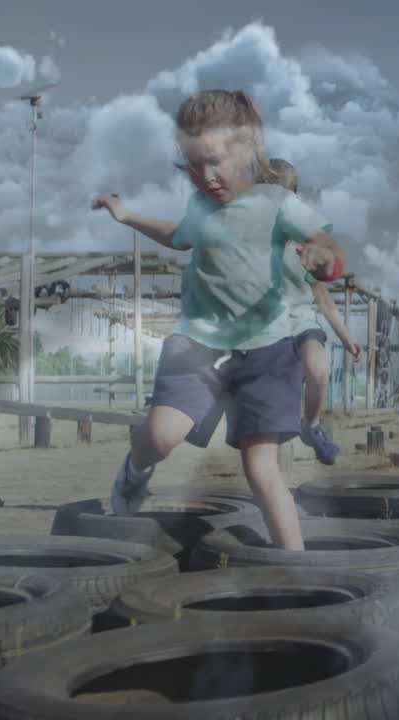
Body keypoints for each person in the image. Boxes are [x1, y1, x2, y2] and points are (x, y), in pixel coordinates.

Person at [91, 89, 345, 550]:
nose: (205, 176)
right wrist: (127, 216)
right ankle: (135, 468)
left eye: (215, 162)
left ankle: (299, 572)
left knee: (261, 468)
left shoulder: (277, 204)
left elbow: (329, 249)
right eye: (192, 165)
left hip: (267, 350)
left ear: (246, 150)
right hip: (199, 344)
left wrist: (322, 261)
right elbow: (179, 237)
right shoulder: (201, 207)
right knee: (162, 438)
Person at [267, 158, 362, 463]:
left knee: (318, 369)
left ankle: (312, 426)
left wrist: (345, 336)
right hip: (264, 326)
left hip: (300, 321)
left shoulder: (305, 243)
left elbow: (322, 296)